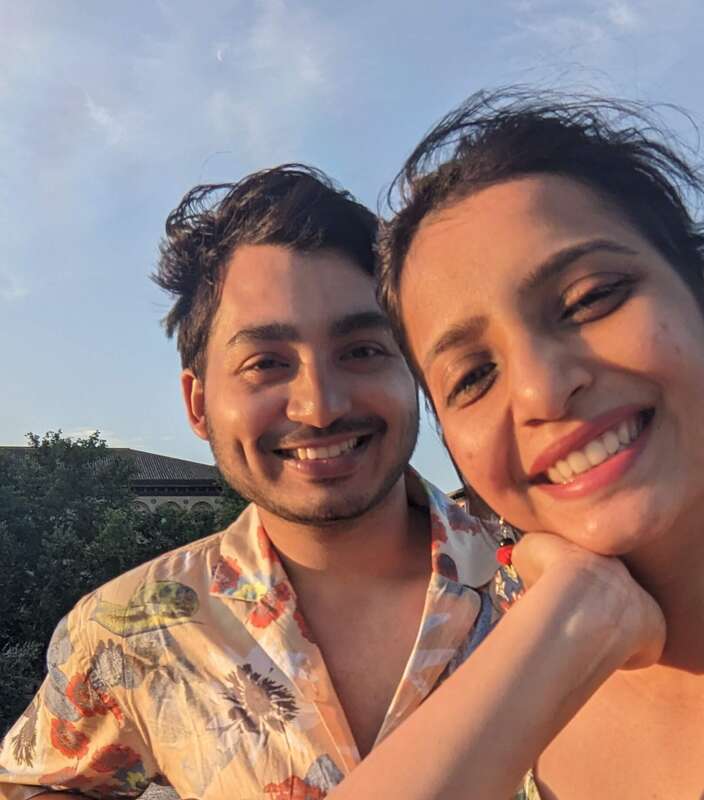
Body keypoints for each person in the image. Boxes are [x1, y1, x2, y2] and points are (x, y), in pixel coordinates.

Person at [0, 164, 662, 800]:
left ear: (414, 372)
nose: (320, 406)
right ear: (198, 405)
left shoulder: (564, 585)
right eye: (266, 363)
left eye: (362, 351)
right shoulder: (132, 629)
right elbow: (35, 783)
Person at [374, 89, 704, 798]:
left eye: (591, 299)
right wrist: (574, 612)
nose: (542, 391)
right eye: (473, 376)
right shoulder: (493, 708)